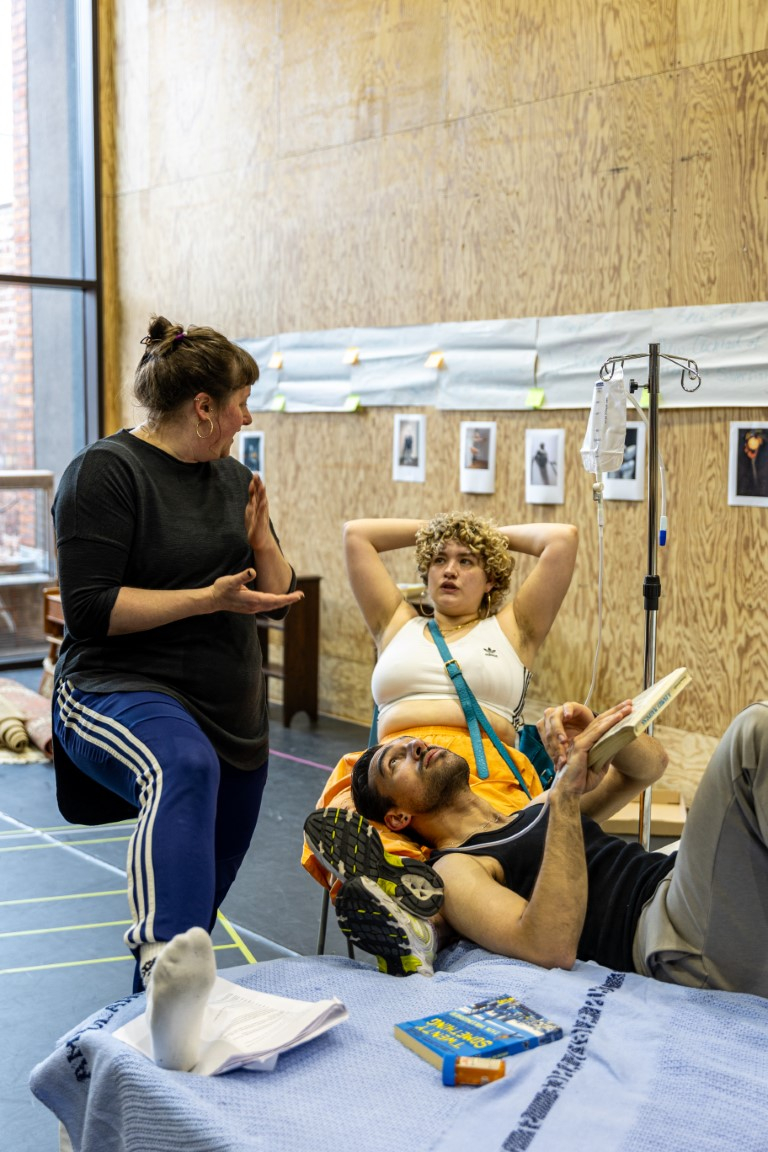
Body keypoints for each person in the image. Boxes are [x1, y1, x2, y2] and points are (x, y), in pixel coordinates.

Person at [52, 314, 303, 1070]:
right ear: (202, 405)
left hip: (233, 714)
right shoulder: (106, 472)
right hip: (117, 687)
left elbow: (279, 588)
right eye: (239, 403)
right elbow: (91, 609)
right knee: (179, 767)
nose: (246, 417)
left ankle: (145, 1052)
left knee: (195, 918)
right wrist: (206, 599)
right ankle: (160, 968)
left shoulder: (232, 479)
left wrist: (260, 538)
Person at [304, 699, 768, 1000]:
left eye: (413, 742)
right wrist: (566, 797)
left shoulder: (533, 809)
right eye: (396, 760)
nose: (417, 747)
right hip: (670, 937)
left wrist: (603, 733)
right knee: (754, 732)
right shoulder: (456, 868)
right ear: (399, 818)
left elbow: (648, 768)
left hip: (675, 883)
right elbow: (548, 946)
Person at [301, 513, 578, 887]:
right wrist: (440, 530)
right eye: (439, 560)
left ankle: (425, 906)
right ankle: (400, 891)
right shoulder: (397, 623)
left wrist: (481, 535)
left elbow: (562, 540)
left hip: (480, 770)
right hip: (394, 767)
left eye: (466, 561)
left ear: (490, 579)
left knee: (503, 840)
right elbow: (356, 534)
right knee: (347, 813)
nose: (450, 571)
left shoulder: (514, 629)